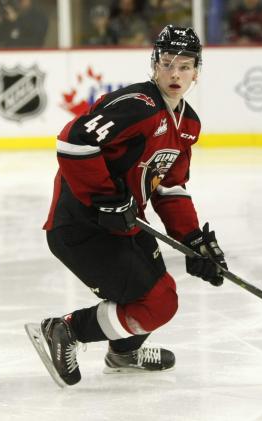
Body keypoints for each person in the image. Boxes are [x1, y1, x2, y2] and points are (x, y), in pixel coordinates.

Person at [26, 25, 228, 387]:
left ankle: (123, 354)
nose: (175, 74)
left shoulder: (188, 124)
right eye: (167, 64)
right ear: (154, 65)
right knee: (157, 303)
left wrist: (194, 239)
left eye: (185, 66)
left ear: (197, 71)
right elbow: (74, 142)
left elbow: (170, 186)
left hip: (124, 226)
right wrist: (106, 199)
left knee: (160, 291)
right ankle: (65, 329)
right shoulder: (139, 106)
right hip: (81, 228)